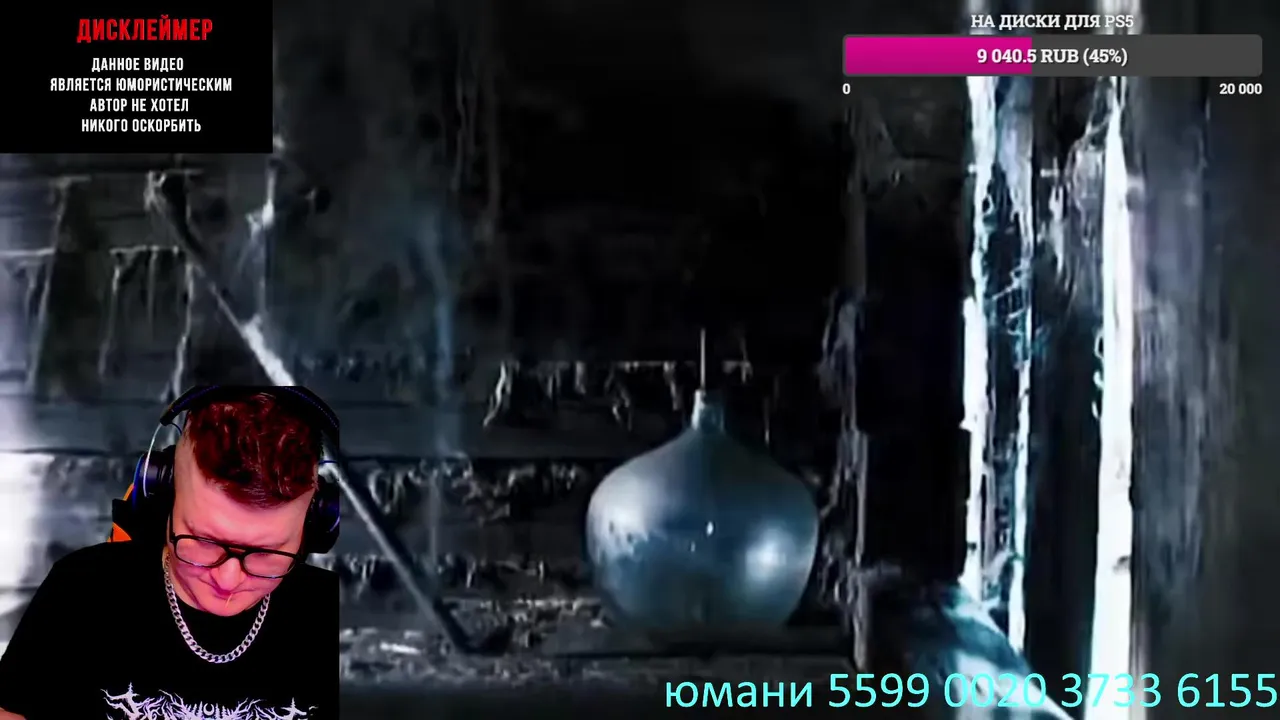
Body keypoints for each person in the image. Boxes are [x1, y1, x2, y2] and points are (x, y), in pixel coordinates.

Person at [0, 388, 340, 719]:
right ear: (165, 493)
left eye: (267, 553)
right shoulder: (81, 587)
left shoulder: (331, 612)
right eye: (204, 541)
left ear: (314, 523)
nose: (228, 580)